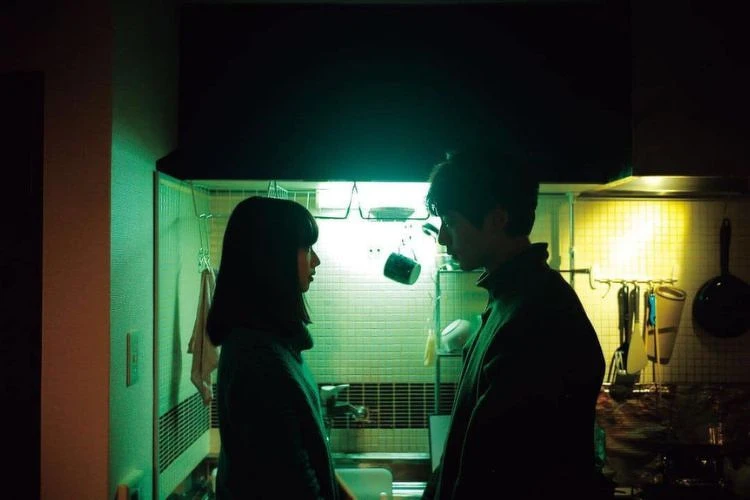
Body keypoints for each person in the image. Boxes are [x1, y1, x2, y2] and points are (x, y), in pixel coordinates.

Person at [422, 148, 607, 499]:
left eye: (451, 222)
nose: (443, 238)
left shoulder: (538, 315)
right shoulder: (511, 301)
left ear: (497, 219)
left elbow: (496, 470)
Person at [207, 196, 343, 499]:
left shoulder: (273, 346)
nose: (316, 261)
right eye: (307, 248)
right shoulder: (259, 361)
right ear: (273, 258)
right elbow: (292, 484)